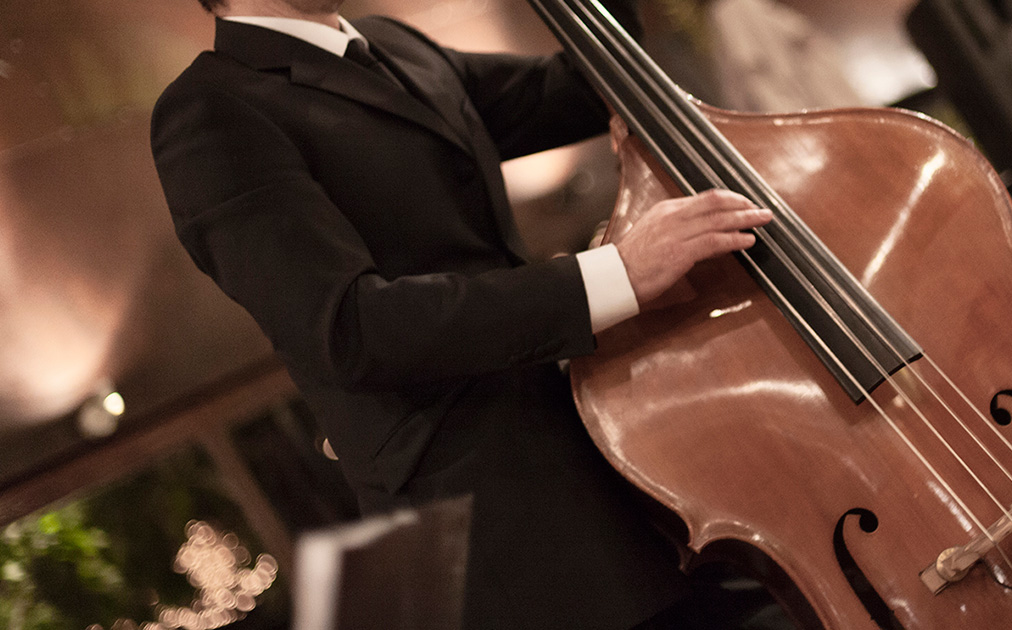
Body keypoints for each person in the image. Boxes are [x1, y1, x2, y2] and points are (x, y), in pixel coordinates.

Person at [149, 0, 778, 627]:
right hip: (501, 520)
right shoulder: (212, 109)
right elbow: (350, 330)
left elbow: (582, 84)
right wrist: (620, 272)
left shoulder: (391, 43)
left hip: (625, 457)